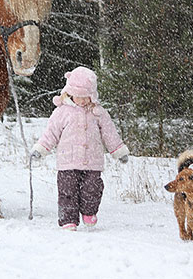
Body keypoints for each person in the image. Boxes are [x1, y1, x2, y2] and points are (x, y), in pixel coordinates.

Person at [31, 66, 129, 231]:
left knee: (93, 188)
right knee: (67, 191)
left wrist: (118, 150)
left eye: (87, 97)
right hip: (67, 161)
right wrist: (41, 149)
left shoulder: (98, 112)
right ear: (69, 93)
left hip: (93, 161)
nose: (83, 101)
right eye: (79, 97)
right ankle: (68, 219)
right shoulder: (62, 112)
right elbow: (51, 133)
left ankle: (89, 212)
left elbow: (109, 133)